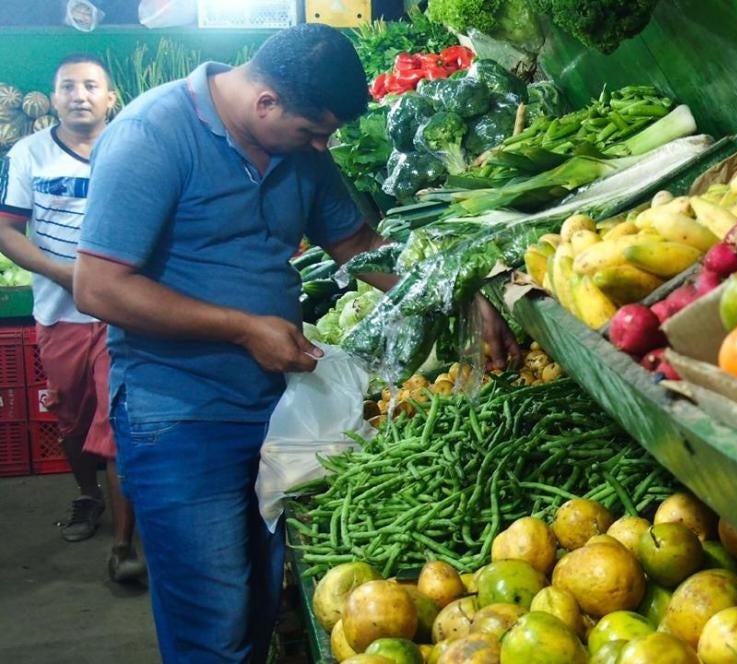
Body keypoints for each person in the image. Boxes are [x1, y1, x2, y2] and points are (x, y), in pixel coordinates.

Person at [74, 24, 518, 663]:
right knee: (212, 617)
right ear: (265, 104)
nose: (322, 146)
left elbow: (360, 247)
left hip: (276, 410)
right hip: (178, 415)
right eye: (313, 131)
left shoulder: (300, 150)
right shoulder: (151, 135)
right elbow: (99, 287)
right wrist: (243, 327)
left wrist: (454, 286)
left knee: (259, 596)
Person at [0, 53, 146, 583]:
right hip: (59, 313)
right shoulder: (29, 153)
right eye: (68, 86)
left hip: (124, 314)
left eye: (91, 86)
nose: (79, 94)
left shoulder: (133, 149)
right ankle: (89, 495)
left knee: (116, 423)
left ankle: (125, 546)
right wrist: (67, 275)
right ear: (55, 98)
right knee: (72, 419)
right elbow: (8, 232)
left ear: (110, 98)